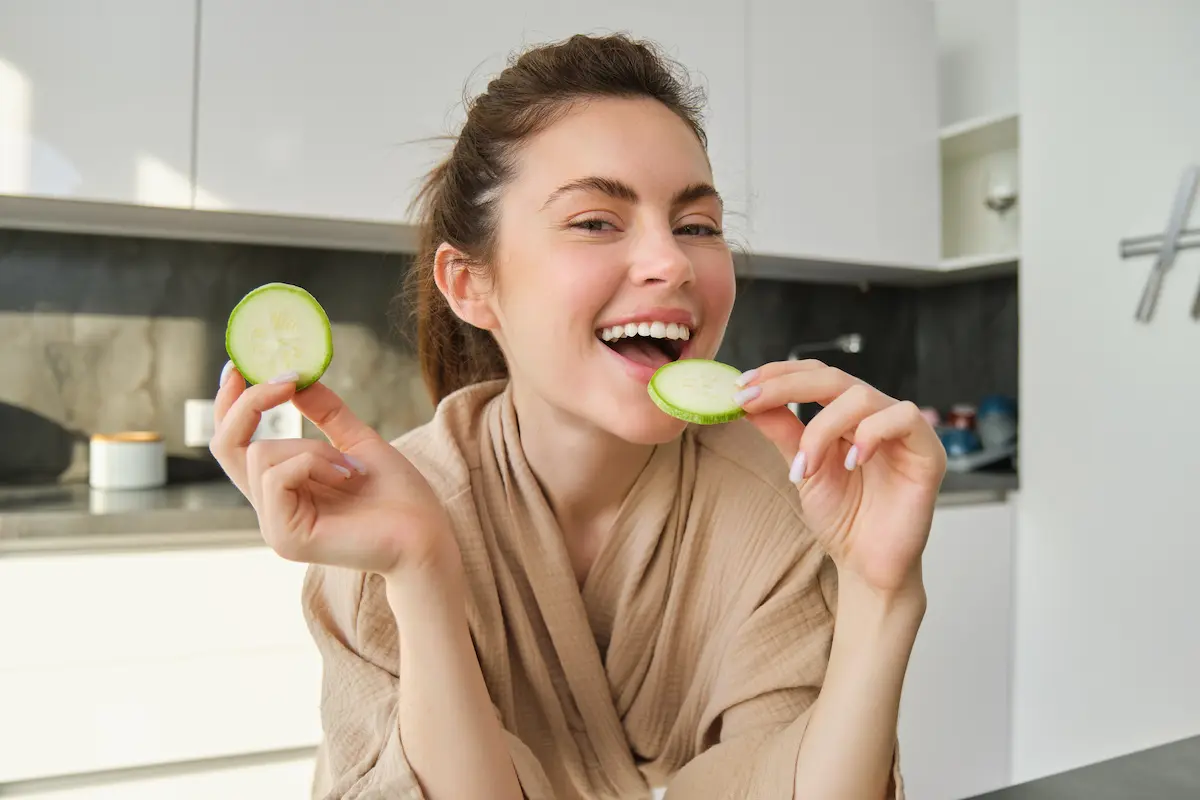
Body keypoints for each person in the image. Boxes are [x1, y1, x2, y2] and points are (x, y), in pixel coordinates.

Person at [210, 32, 945, 800]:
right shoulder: (386, 522)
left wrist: (883, 596)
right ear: (470, 285)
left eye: (697, 225)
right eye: (596, 221)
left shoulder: (781, 503)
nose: (673, 262)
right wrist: (421, 571)